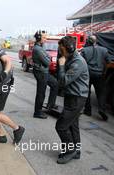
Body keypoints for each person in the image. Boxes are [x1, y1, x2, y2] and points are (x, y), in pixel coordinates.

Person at [56, 36, 89, 164]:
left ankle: (70, 151)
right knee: (73, 125)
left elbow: (63, 81)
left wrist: (62, 66)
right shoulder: (71, 58)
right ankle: (76, 151)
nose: (60, 51)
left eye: (61, 49)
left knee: (61, 126)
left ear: (69, 48)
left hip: (77, 98)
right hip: (72, 96)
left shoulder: (78, 62)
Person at [81, 36, 110, 121]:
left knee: (87, 92)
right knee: (101, 93)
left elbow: (81, 62)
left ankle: (88, 110)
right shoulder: (104, 50)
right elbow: (108, 62)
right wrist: (104, 71)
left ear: (88, 41)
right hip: (99, 74)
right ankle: (102, 109)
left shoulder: (85, 50)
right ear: (96, 41)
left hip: (88, 74)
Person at [32, 30, 58, 119]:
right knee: (41, 93)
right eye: (44, 37)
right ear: (39, 38)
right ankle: (37, 112)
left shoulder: (40, 47)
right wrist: (48, 58)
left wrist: (48, 57)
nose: (46, 39)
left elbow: (47, 59)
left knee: (55, 84)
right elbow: (48, 62)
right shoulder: (38, 49)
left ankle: (51, 105)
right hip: (41, 73)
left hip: (44, 72)